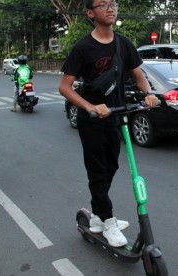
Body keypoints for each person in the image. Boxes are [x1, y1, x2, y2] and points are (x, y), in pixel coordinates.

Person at [58, 0, 158, 247]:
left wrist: (148, 92)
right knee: (97, 172)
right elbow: (64, 87)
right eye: (103, 5)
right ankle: (108, 220)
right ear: (90, 13)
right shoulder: (83, 47)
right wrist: (90, 107)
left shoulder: (123, 44)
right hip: (91, 120)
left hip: (115, 117)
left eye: (112, 3)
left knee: (111, 167)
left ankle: (97, 217)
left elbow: (138, 75)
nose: (110, 8)